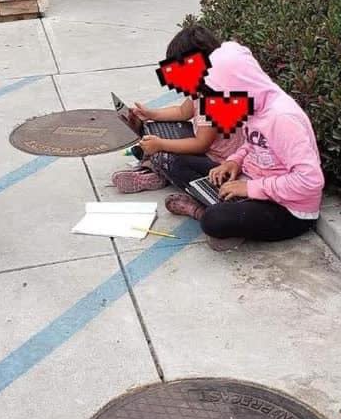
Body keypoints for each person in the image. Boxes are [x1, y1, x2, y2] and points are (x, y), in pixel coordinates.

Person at [164, 40, 325, 251]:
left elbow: (310, 181)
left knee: (214, 220)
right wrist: (234, 162)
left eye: (218, 94)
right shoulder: (253, 103)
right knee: (178, 162)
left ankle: (205, 212)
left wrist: (250, 188)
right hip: (252, 181)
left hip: (288, 209)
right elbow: (253, 144)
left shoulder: (282, 118)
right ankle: (225, 208)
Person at [110, 25, 243, 193]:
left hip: (219, 162)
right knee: (152, 127)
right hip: (205, 145)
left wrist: (161, 144)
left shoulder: (215, 99)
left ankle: (156, 173)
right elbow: (183, 112)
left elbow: (201, 144)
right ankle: (154, 166)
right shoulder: (202, 87)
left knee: (173, 160)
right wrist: (151, 114)